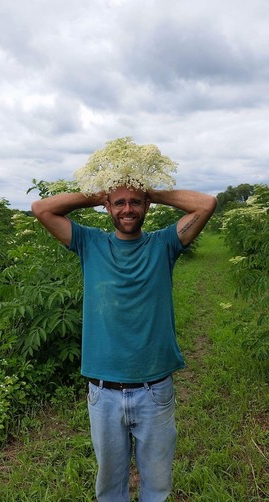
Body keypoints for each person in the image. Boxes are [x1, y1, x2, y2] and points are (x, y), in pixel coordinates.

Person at [32, 185, 216, 501]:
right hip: (103, 392)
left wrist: (150, 191)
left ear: (146, 206)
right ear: (108, 208)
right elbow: (41, 209)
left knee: (157, 485)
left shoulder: (164, 244)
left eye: (134, 203)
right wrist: (99, 194)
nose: (127, 209)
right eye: (119, 203)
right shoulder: (89, 243)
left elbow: (206, 204)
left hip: (154, 389)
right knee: (109, 487)